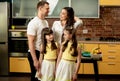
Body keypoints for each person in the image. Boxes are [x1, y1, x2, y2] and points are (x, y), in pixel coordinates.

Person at [27, 1, 49, 81]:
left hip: (41, 53)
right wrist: (35, 60)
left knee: (41, 77)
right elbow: (30, 42)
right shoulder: (33, 23)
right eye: (47, 8)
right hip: (35, 53)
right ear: (40, 8)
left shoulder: (45, 22)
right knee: (35, 77)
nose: (48, 10)